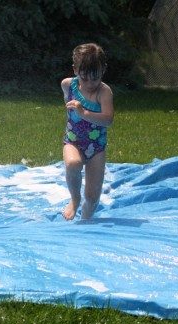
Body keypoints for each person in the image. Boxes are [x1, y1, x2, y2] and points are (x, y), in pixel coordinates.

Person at [61, 43, 114, 220]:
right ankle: (75, 200)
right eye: (85, 78)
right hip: (73, 141)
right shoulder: (68, 86)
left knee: (92, 198)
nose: (90, 83)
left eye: (95, 78)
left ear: (103, 70)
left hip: (96, 147)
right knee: (73, 163)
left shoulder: (104, 92)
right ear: (75, 70)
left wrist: (83, 113)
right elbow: (69, 111)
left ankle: (85, 221)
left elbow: (108, 119)